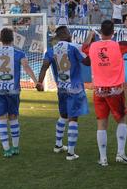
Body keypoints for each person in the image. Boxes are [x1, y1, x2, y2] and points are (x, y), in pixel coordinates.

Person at [82, 17, 127, 166]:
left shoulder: (94, 47)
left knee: (101, 123)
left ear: (101, 32)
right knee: (121, 120)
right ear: (113, 32)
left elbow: (84, 48)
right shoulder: (118, 45)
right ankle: (120, 154)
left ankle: (103, 158)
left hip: (99, 90)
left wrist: (90, 34)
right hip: (116, 90)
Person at [0, 28, 42, 157]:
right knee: (13, 117)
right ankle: (16, 147)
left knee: (1, 119)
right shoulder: (19, 53)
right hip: (13, 90)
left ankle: (6, 149)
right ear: (12, 39)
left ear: (0, 39)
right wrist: (36, 82)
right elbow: (26, 67)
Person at [38, 26, 90, 161]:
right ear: (65, 34)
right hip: (75, 89)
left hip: (61, 89)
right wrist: (90, 49)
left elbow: (44, 66)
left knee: (63, 115)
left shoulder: (51, 50)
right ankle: (71, 153)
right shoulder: (73, 47)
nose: (70, 34)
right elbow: (87, 62)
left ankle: (58, 145)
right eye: (68, 32)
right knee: (73, 119)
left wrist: (39, 82)